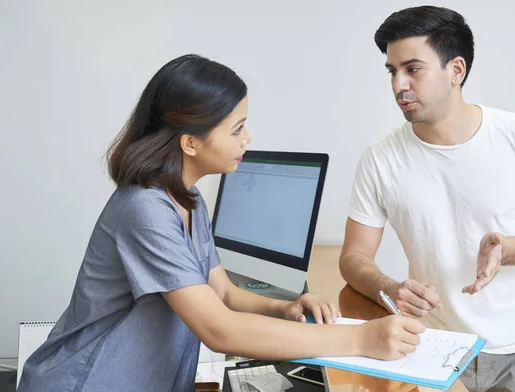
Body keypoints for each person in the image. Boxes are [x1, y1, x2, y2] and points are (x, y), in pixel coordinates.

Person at [17, 54, 425, 392]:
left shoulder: (188, 198)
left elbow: (225, 294)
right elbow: (220, 329)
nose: (247, 138)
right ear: (190, 141)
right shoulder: (144, 209)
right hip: (87, 382)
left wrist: (284, 308)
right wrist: (361, 339)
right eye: (237, 129)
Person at [339, 6, 515, 392]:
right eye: (392, 71)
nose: (398, 84)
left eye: (412, 69)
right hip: (435, 346)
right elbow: (352, 258)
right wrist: (391, 287)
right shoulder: (380, 158)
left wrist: (509, 249)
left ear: (456, 70)